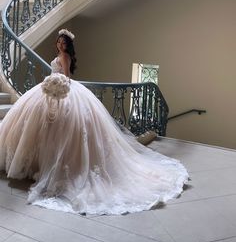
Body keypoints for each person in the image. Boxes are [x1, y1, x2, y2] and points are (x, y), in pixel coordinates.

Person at [0, 29, 188, 215]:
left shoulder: (64, 57)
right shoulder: (58, 54)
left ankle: (56, 168)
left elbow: (66, 77)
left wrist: (56, 86)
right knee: (41, 127)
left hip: (63, 91)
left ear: (68, 45)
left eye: (63, 43)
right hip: (50, 90)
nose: (60, 45)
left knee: (61, 130)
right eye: (58, 42)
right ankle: (38, 165)